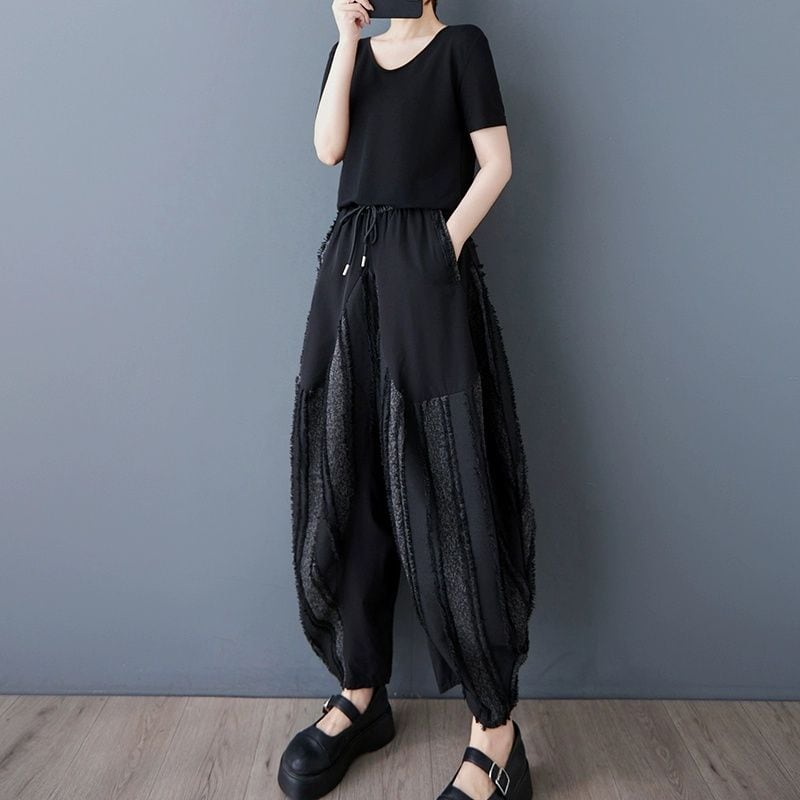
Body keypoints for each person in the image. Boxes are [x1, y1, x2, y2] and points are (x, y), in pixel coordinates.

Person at [279, 1, 537, 798]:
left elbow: (496, 162)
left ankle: (496, 734)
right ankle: (360, 692)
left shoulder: (462, 48)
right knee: (344, 477)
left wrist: (440, 245)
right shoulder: (350, 55)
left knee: (450, 488)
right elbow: (328, 149)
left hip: (425, 278)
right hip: (346, 280)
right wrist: (344, 38)